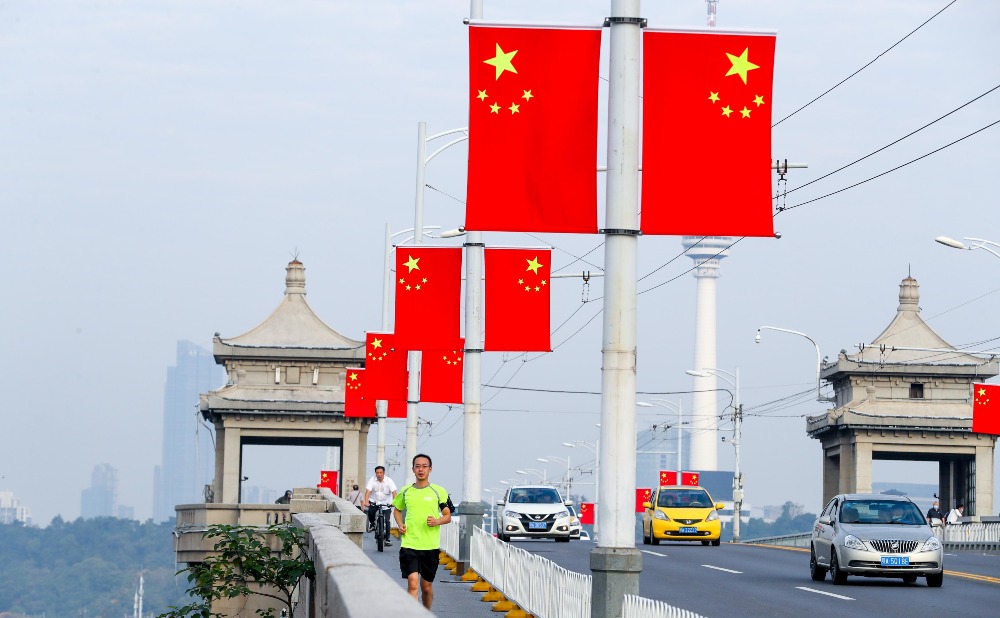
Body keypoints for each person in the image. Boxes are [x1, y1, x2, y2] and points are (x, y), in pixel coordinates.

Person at [392, 453, 451, 610]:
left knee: (426, 587)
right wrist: (400, 524)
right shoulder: (406, 491)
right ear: (413, 469)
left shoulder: (438, 491)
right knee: (412, 583)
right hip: (409, 544)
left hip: (430, 546)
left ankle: (426, 612)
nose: (421, 469)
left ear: (430, 469)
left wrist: (437, 521)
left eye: (424, 466)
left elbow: (448, 516)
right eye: (417, 466)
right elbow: (397, 510)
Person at [363, 465, 398, 539]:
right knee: (371, 512)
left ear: (383, 473)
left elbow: (394, 492)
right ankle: (372, 524)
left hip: (386, 503)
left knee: (387, 521)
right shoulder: (372, 480)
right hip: (374, 501)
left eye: (380, 473)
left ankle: (387, 539)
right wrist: (366, 502)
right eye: (377, 473)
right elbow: (368, 491)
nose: (379, 474)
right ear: (375, 473)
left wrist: (394, 502)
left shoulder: (389, 481)